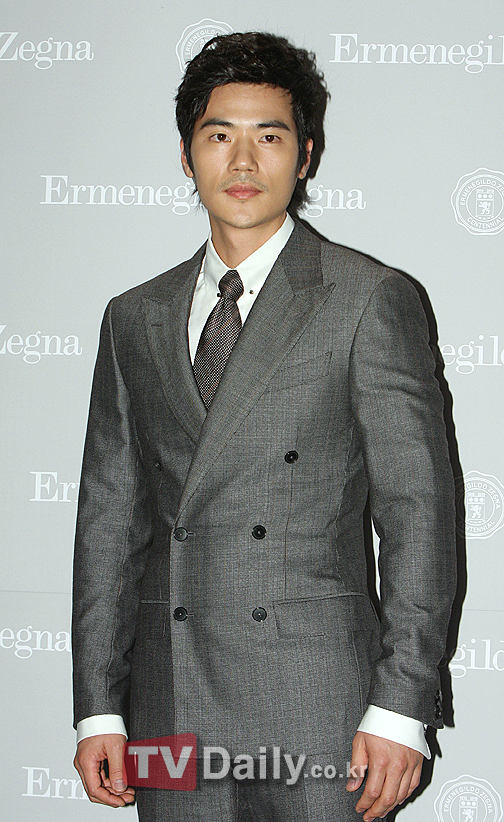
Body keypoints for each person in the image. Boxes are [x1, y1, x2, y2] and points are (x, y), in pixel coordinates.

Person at [72, 31, 456, 822]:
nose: (243, 162)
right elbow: (109, 521)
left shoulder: (366, 298)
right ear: (187, 156)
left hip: (320, 700)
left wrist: (400, 707)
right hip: (170, 701)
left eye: (270, 137)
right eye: (219, 136)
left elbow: (417, 513)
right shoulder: (133, 316)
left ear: (306, 155)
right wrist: (99, 708)